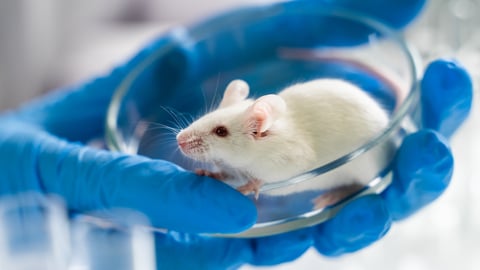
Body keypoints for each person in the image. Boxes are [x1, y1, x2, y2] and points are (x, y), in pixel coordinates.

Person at [0, 0, 473, 269]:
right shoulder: (254, 134)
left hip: (361, 147)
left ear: (260, 127)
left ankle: (349, 190)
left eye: (219, 130)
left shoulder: (280, 146)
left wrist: (253, 182)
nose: (187, 139)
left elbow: (299, 165)